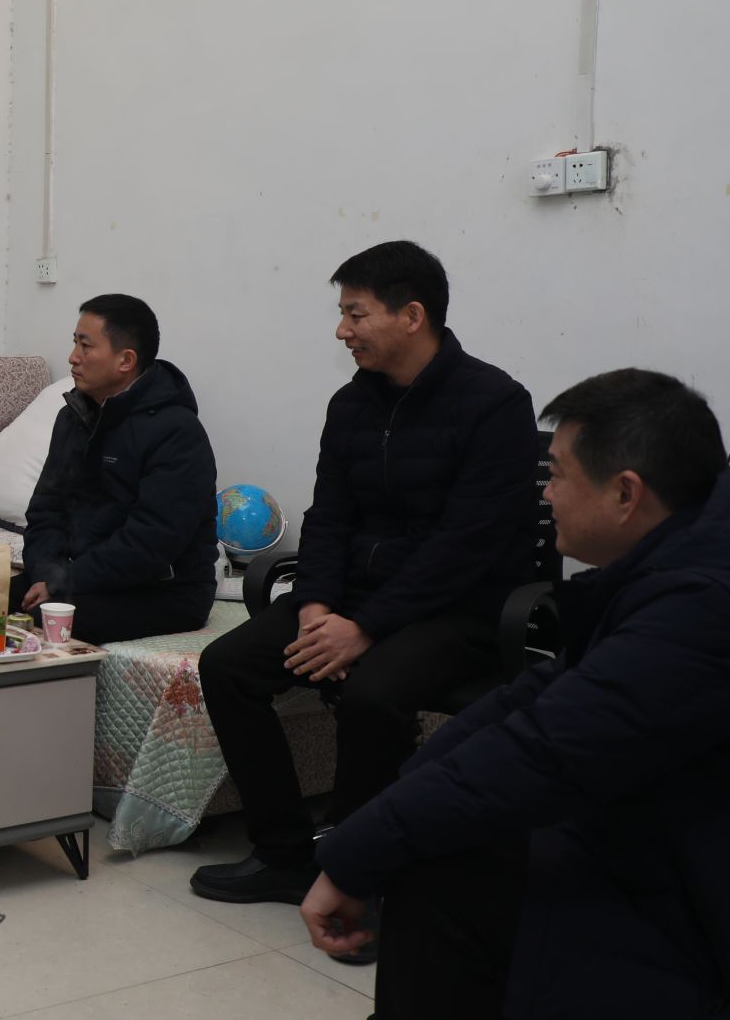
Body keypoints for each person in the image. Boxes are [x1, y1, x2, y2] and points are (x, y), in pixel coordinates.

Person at [305, 370, 730, 1019]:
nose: (546, 492)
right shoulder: (675, 563)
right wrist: (384, 821)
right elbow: (533, 700)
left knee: (452, 864)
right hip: (652, 830)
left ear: (625, 493)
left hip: (691, 889)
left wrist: (355, 856)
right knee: (442, 850)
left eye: (556, 474)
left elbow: (544, 751)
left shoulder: (702, 606)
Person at [192, 241, 540, 916]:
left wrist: (367, 627)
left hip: (458, 609)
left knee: (372, 692)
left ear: (412, 316)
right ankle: (283, 854)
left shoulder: (493, 403)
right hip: (353, 599)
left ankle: (359, 876)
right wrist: (317, 605)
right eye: (343, 313)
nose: (341, 331)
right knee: (229, 665)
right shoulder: (352, 404)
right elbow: (328, 517)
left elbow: (467, 546)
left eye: (356, 314)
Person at [16, 294, 217, 643]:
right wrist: (46, 573)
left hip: (163, 593)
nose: (73, 357)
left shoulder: (177, 432)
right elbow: (46, 511)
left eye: (86, 346)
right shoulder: (73, 418)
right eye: (74, 343)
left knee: (42, 620)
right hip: (85, 578)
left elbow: (150, 544)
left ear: (126, 360)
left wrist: (64, 581)